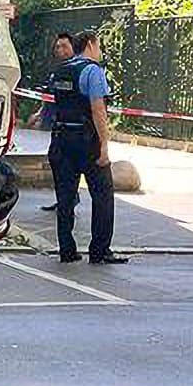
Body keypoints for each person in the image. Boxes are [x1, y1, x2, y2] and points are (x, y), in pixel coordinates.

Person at [48, 30, 126, 265]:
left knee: (65, 197)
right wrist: (104, 147)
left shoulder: (60, 71)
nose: (100, 51)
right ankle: (100, 250)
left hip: (61, 140)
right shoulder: (92, 71)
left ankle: (67, 250)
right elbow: (98, 111)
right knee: (102, 195)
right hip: (86, 142)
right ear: (91, 44)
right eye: (99, 46)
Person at [25, 32, 76, 213]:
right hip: (56, 124)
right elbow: (50, 96)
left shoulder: (76, 70)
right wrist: (39, 114)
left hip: (70, 127)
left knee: (65, 163)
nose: (60, 50)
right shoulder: (58, 70)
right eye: (57, 46)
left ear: (73, 47)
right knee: (57, 162)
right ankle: (65, 199)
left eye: (64, 46)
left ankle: (68, 201)